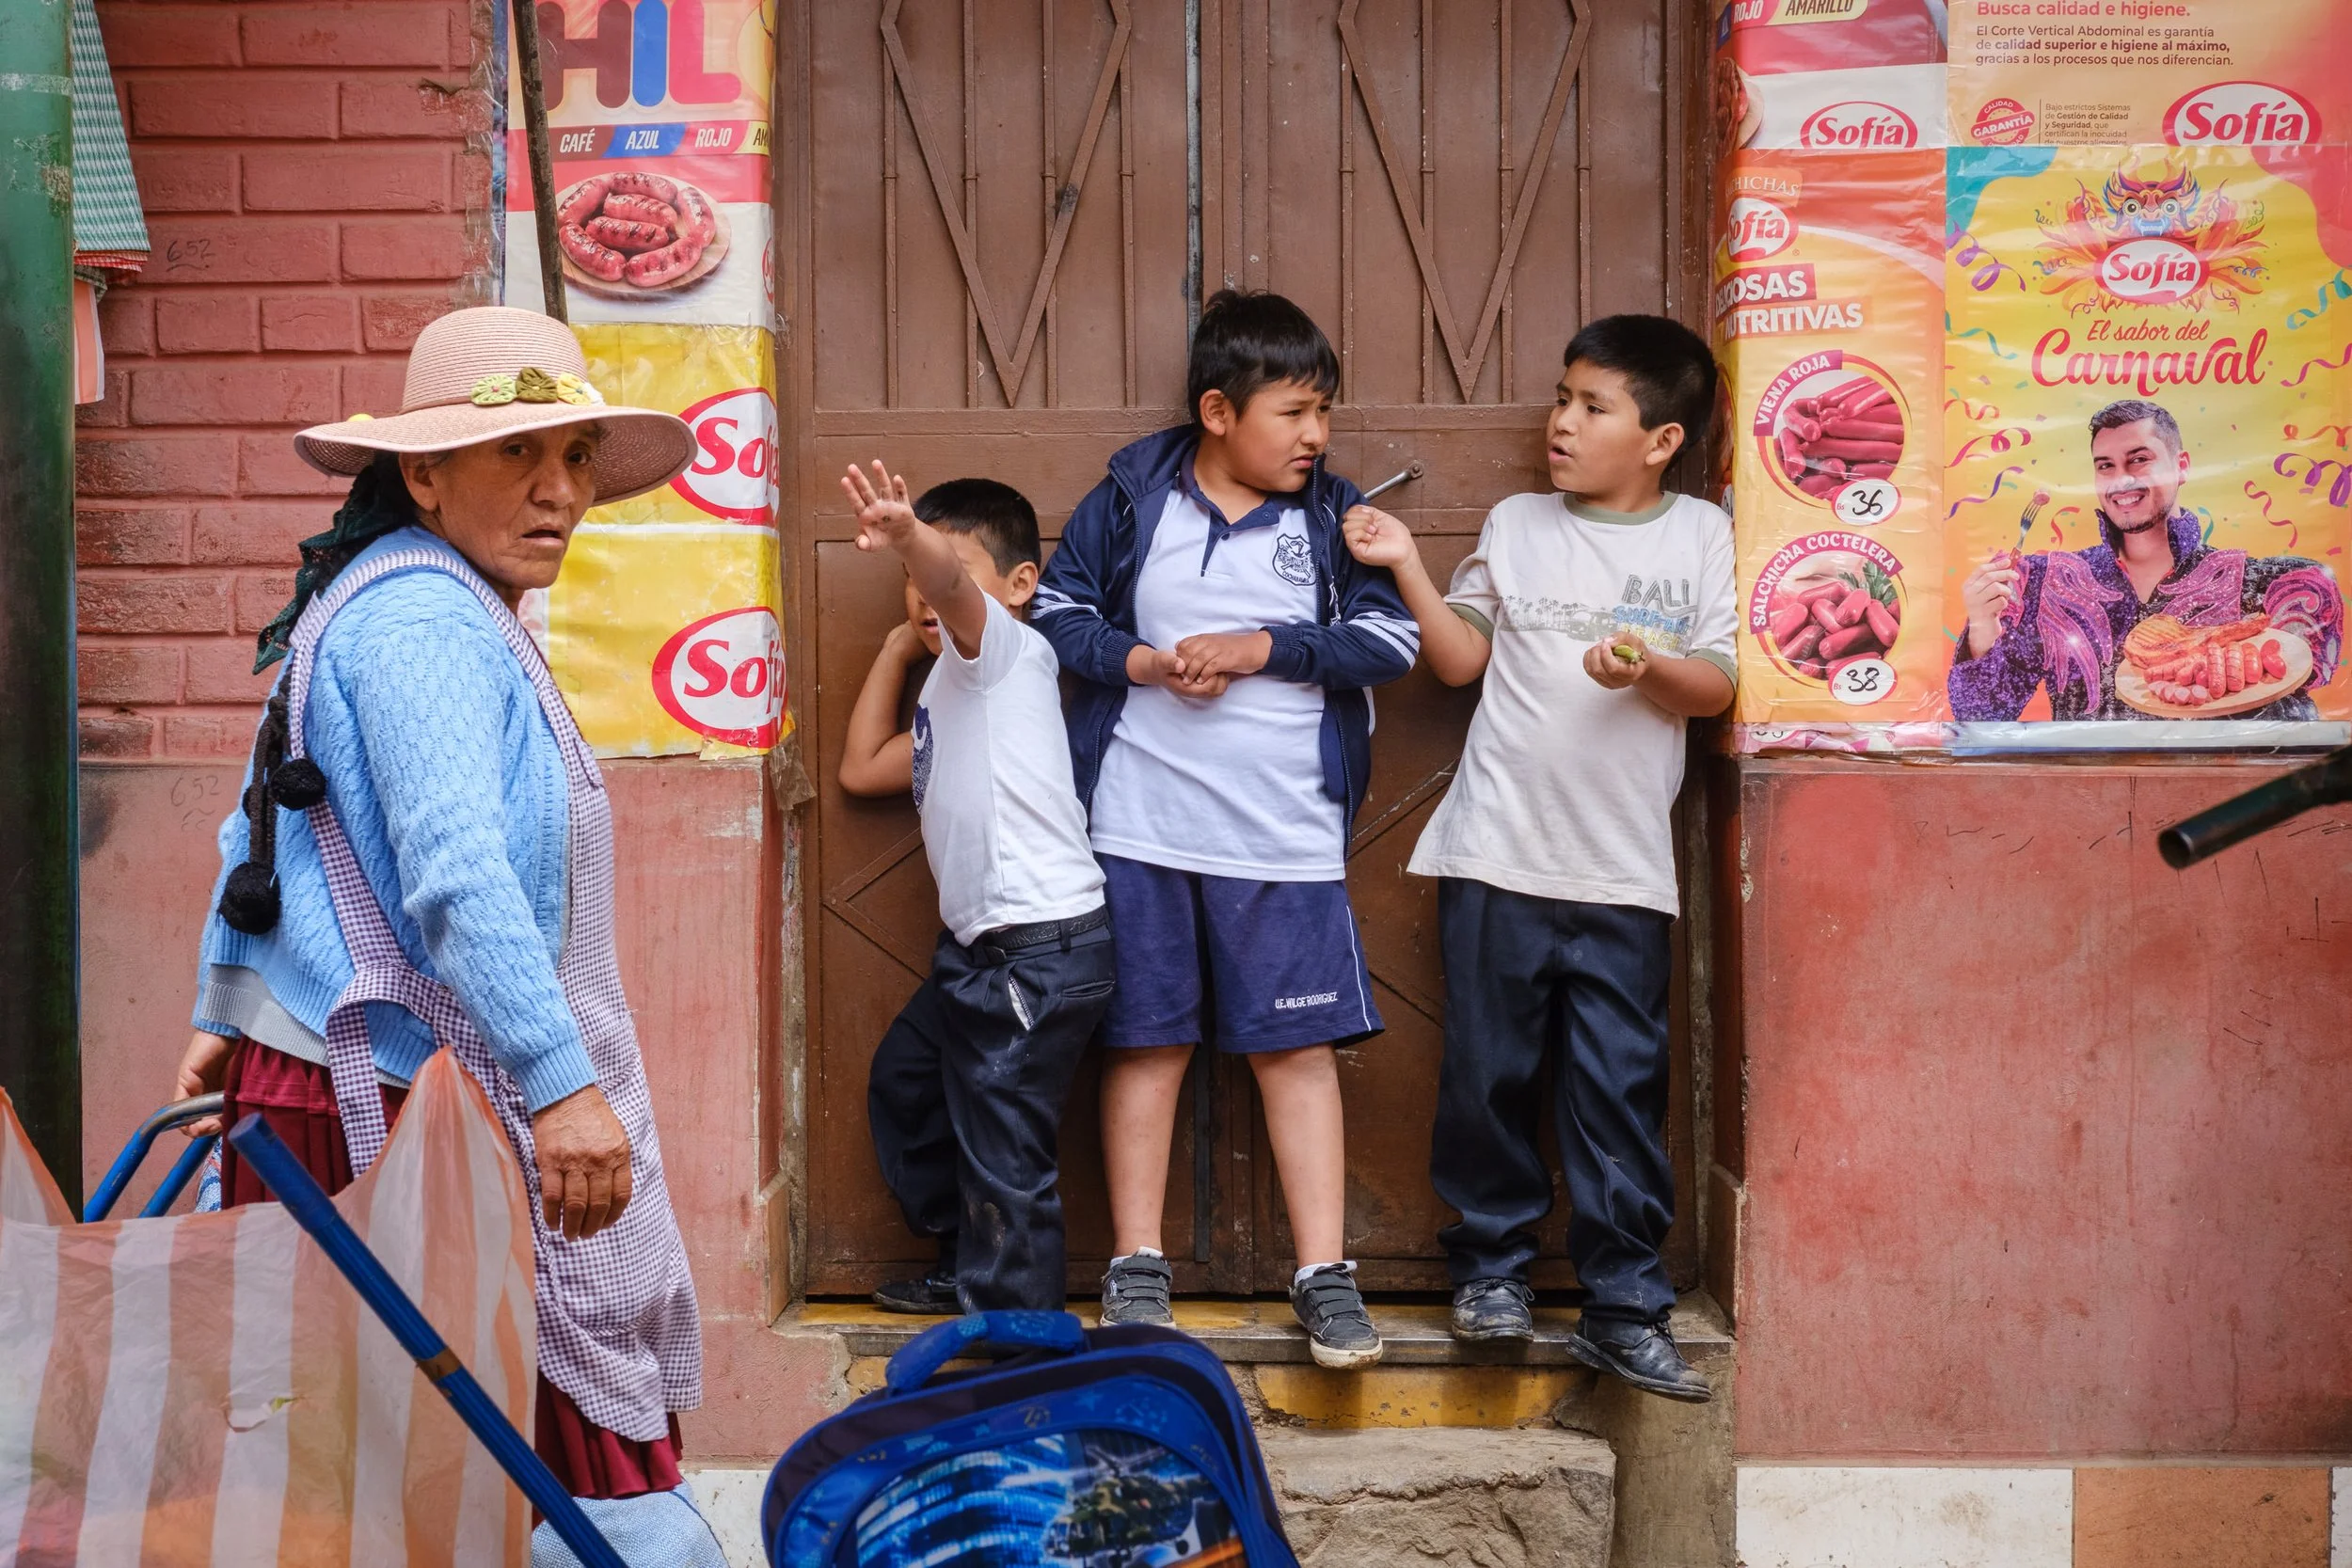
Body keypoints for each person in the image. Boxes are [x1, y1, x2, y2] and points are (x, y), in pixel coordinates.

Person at [170, 306, 723, 1559]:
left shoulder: (400, 600)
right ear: (422, 471)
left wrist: (229, 1008)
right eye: (519, 454)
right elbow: (460, 877)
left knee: (362, 1454)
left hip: (336, 1078)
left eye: (577, 456)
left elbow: (267, 817)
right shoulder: (424, 623)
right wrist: (562, 1083)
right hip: (399, 1105)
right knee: (479, 1441)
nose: (560, 491)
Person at [1344, 314, 1735, 1402]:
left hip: (1619, 871)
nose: (1560, 422)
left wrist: (1646, 665)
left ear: (1659, 439)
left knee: (1618, 1090)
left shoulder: (1698, 533)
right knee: (1488, 1076)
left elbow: (1716, 684)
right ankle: (1492, 1274)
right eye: (1561, 398)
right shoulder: (1517, 522)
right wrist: (1406, 568)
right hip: (1497, 850)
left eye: (1591, 406)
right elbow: (1460, 659)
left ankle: (1622, 1301)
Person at [1032, 290, 1420, 1369]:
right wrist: (1146, 662)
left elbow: (1390, 643)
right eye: (1295, 412)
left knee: (1294, 1049)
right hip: (1139, 825)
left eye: (1324, 413)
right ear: (1217, 409)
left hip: (1282, 836)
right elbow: (1059, 616)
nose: (1316, 436)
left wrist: (1264, 645)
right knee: (1144, 1039)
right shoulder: (1130, 497)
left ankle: (1323, 1271)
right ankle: (1138, 1263)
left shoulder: (1329, 519)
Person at [837, 466, 1115, 1314]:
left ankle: (1017, 1338)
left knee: (1006, 1149)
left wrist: (913, 543)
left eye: (937, 571)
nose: (923, 590)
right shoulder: (950, 687)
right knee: (908, 1081)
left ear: (1022, 586)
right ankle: (969, 1265)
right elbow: (860, 769)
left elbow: (955, 587)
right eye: (908, 581)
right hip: (982, 954)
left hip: (1037, 951)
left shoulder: (1005, 652)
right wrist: (892, 647)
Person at [1949, 398, 2344, 721]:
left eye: (2139, 459)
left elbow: (2292, 728)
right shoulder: (2047, 583)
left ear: (2181, 467)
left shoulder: (2257, 587)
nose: (2122, 479)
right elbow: (1982, 716)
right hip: (2086, 800)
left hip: (2206, 804)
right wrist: (1982, 629)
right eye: (2106, 465)